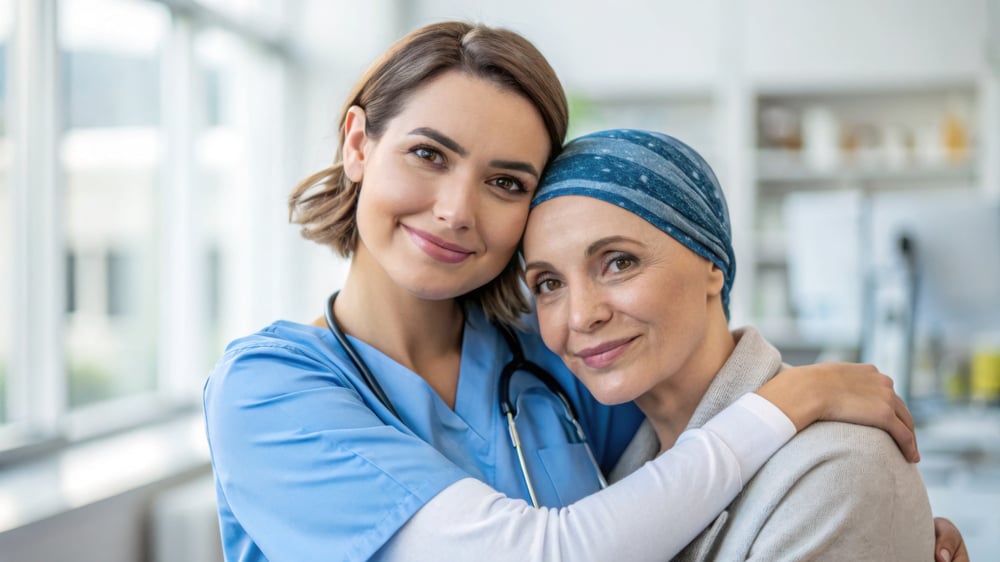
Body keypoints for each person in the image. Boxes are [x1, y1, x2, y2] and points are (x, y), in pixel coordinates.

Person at [202, 21, 959, 562]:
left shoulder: (555, 358)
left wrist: (875, 522)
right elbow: (543, 551)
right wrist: (792, 401)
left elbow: (691, 490)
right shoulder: (270, 392)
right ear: (358, 143)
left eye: (505, 181)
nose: (457, 209)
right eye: (428, 154)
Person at [521, 128, 940, 560]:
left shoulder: (838, 469)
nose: (580, 315)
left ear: (711, 264)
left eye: (619, 263)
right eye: (549, 283)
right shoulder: (625, 470)